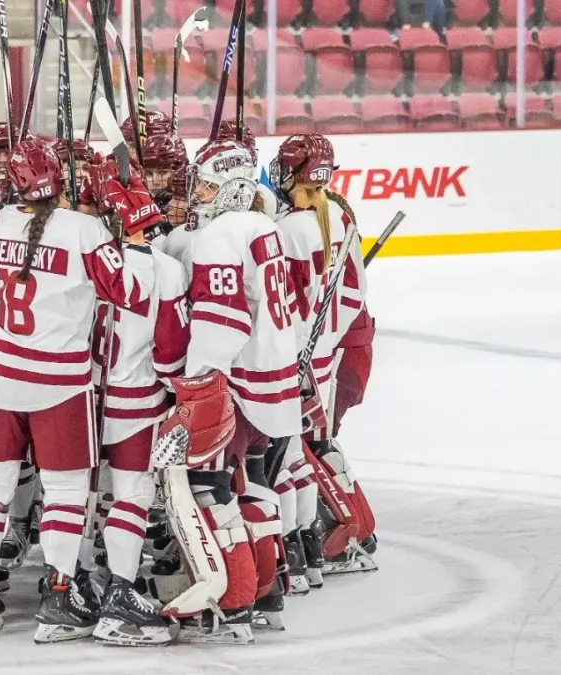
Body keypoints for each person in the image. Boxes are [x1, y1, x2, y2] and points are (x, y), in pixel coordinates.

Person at [0, 137, 157, 642]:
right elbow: (128, 292)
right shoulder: (84, 229)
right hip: (57, 383)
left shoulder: (1, 222)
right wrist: (133, 236)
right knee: (67, 492)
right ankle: (59, 592)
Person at [149, 139, 299, 643]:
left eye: (209, 183)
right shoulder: (264, 226)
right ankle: (266, 591)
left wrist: (197, 383)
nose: (200, 192)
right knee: (255, 480)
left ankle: (233, 602)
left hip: (234, 384)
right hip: (274, 382)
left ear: (231, 189)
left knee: (211, 491)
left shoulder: (218, 237)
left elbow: (223, 322)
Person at [81, 158, 189, 647]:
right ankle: (120, 593)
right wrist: (179, 388)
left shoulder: (85, 260)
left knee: (76, 497)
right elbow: (171, 351)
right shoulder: (164, 269)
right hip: (135, 401)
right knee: (133, 496)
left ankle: (77, 581)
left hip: (80, 398)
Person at [270, 134, 377, 582]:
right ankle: (354, 529)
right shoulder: (339, 213)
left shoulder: (289, 229)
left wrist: (305, 349)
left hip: (308, 359)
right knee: (317, 443)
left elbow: (284, 302)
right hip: (336, 352)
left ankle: (342, 534)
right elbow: (355, 292)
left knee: (298, 450)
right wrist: (330, 339)